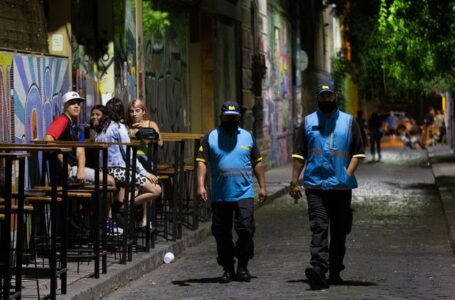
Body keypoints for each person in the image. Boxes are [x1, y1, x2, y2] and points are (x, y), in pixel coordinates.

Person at [289, 80, 365, 287]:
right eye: (322, 96)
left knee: (339, 231)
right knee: (319, 227)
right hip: (315, 186)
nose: (326, 99)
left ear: (335, 97)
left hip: (340, 188)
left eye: (329, 96)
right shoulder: (307, 122)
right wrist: (294, 182)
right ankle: (319, 269)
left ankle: (335, 271)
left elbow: (358, 152)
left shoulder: (349, 122)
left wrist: (347, 174)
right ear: (318, 97)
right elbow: (299, 155)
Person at [196, 101, 267, 283]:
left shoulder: (247, 137)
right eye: (228, 117)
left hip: (244, 193)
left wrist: (263, 186)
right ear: (221, 117)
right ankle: (227, 268)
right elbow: (201, 162)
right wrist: (200, 185)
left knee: (246, 230)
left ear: (239, 118)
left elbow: (257, 162)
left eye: (234, 117)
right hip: (221, 195)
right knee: (222, 233)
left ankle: (242, 266)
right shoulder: (210, 137)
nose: (231, 120)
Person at [94, 98, 161, 230]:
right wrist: (145, 173)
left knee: (132, 188)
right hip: (119, 171)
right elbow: (129, 155)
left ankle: (120, 208)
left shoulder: (100, 130)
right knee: (156, 189)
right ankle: (123, 207)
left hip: (104, 171)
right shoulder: (119, 128)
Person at [45, 91, 111, 186]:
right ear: (65, 106)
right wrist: (63, 161)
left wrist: (81, 170)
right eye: (72, 103)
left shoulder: (79, 128)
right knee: (110, 181)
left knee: (106, 183)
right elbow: (48, 139)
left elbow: (80, 151)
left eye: (78, 104)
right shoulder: (62, 120)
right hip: (66, 171)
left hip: (76, 169)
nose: (76, 106)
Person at [126, 99, 163, 172]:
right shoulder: (126, 127)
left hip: (146, 159)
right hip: (130, 158)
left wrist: (143, 131)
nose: (134, 114)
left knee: (141, 157)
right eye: (131, 111)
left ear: (143, 112)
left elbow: (161, 143)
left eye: (137, 110)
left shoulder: (151, 124)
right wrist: (131, 131)